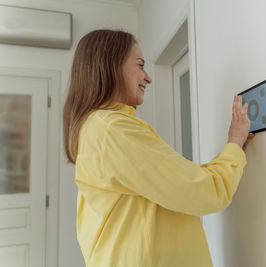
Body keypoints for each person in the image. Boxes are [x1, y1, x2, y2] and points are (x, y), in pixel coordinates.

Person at [63, 29, 255, 267]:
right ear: (110, 65)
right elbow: (206, 191)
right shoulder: (112, 129)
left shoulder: (97, 127)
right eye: (141, 65)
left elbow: (181, 184)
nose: (148, 77)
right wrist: (235, 143)